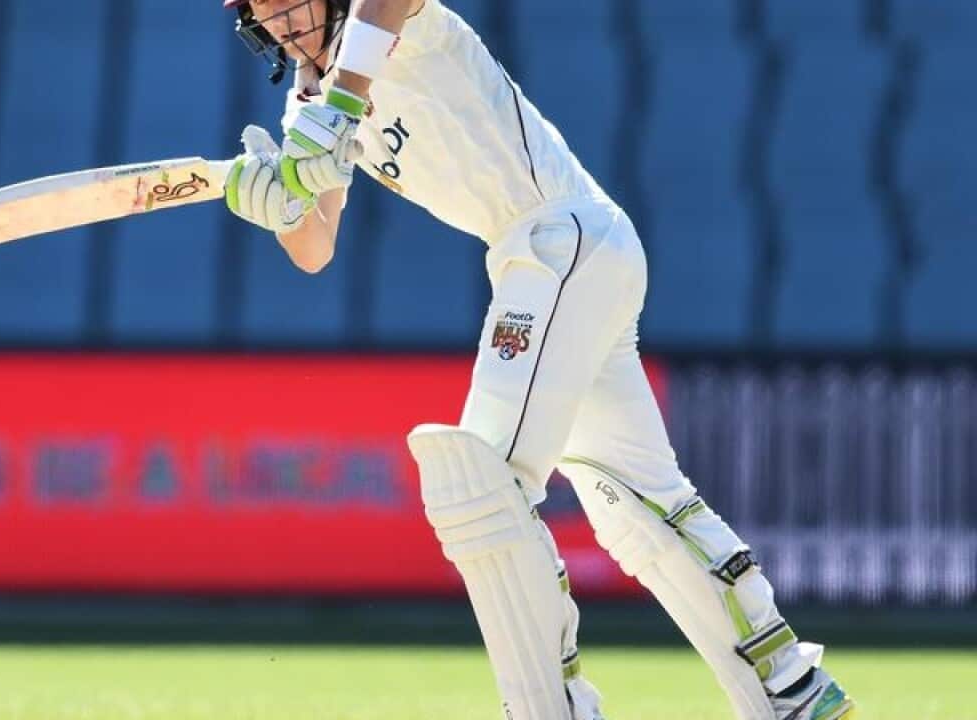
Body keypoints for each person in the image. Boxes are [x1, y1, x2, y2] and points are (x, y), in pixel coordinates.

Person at [220, 1, 857, 718]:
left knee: (481, 484)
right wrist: (282, 200)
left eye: (286, 1)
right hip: (565, 256)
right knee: (637, 505)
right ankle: (794, 693)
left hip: (559, 238)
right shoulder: (309, 104)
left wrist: (340, 106)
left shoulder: (393, 25)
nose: (279, 23)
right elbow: (314, 248)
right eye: (262, 14)